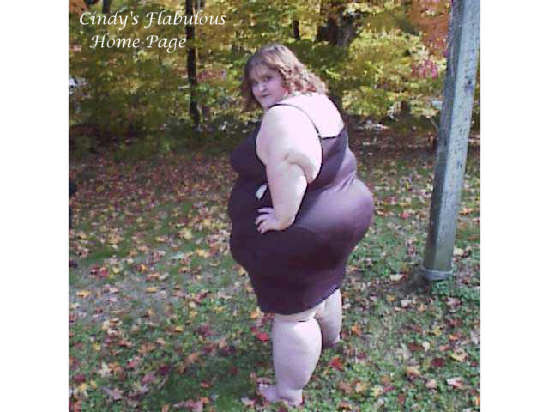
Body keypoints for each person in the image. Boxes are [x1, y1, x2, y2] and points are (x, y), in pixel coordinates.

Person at [228, 44, 374, 406]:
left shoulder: (283, 117)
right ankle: (330, 338)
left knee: (294, 313)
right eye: (254, 82)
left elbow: (292, 164)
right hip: (344, 212)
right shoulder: (317, 101)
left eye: (268, 78)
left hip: (307, 230)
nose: (260, 88)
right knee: (324, 282)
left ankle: (288, 392)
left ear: (288, 73)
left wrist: (282, 216)